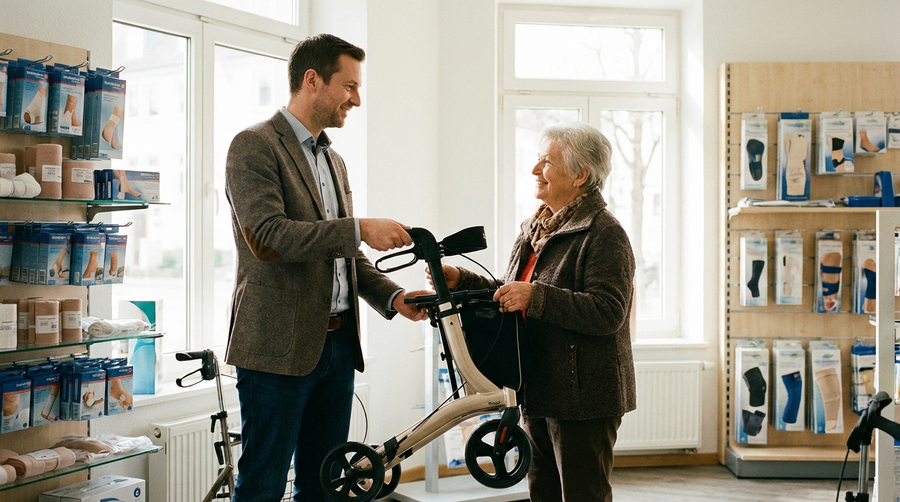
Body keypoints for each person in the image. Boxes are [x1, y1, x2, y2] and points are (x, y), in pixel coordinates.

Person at [224, 33, 428, 502]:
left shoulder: (333, 159)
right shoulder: (253, 145)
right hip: (277, 348)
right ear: (312, 80)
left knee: (326, 487)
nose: (356, 100)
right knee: (262, 487)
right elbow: (269, 237)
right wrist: (359, 228)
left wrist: (393, 296)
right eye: (349, 86)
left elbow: (343, 253)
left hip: (337, 347)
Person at [430, 122, 636, 501]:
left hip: (583, 399)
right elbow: (512, 290)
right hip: (537, 387)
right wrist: (463, 279)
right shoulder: (534, 229)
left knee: (583, 495)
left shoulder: (605, 233)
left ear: (580, 175)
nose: (535, 169)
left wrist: (536, 297)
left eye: (547, 162)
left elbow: (608, 312)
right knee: (542, 493)